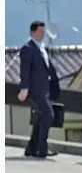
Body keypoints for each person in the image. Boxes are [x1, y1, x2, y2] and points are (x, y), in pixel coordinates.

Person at [18, 20, 60, 158]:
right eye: (40, 32)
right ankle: (42, 149)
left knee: (40, 118)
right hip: (35, 90)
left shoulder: (43, 48)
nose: (43, 35)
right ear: (32, 32)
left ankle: (31, 148)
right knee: (48, 115)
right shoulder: (28, 48)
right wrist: (24, 88)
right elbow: (24, 70)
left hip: (45, 89)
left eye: (44, 32)